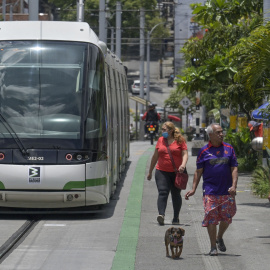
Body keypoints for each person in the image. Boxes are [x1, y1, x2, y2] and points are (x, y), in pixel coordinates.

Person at [185, 123, 238, 256]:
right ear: (210, 135)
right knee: (211, 217)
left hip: (227, 191)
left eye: (221, 132)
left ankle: (219, 237)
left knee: (227, 217)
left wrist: (234, 186)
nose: (221, 134)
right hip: (210, 191)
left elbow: (234, 168)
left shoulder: (229, 148)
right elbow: (198, 172)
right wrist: (193, 189)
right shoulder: (203, 151)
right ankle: (213, 246)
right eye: (218, 132)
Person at [147, 122, 188, 225]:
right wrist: (150, 171)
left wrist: (183, 164)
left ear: (171, 130)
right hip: (161, 171)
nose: (163, 132)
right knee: (163, 192)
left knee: (176, 194)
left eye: (164, 130)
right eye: (162, 129)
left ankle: (176, 217)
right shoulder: (160, 140)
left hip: (177, 172)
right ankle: (161, 215)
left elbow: (185, 153)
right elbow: (155, 156)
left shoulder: (180, 140)